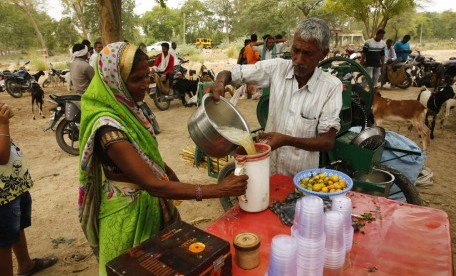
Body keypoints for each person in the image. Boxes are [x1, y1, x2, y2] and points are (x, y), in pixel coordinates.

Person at [78, 42, 248, 274]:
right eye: (136, 80)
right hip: (129, 216)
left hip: (150, 207)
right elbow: (153, 186)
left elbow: (141, 153)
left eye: (146, 77)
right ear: (114, 81)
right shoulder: (108, 130)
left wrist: (163, 167)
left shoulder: (127, 108)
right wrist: (219, 190)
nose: (145, 86)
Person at [205, 18, 343, 176]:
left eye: (307, 53)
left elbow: (327, 141)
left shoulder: (331, 87)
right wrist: (220, 82)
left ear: (323, 54)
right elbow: (231, 73)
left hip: (300, 177)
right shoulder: (277, 68)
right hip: (267, 170)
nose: (298, 60)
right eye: (295, 50)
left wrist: (286, 140)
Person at [0, 101, 58, 276]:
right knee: (3, 243)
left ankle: (25, 264)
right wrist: (3, 124)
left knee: (17, 226)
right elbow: (2, 157)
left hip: (12, 187)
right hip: (2, 196)